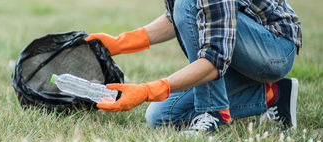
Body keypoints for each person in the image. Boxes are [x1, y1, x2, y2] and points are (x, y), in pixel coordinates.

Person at [87, 0, 302, 133]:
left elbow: (214, 58)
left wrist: (146, 91)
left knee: (188, 3)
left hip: (274, 49)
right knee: (162, 117)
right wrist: (121, 42)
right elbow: (177, 17)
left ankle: (213, 112)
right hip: (236, 49)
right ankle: (273, 94)